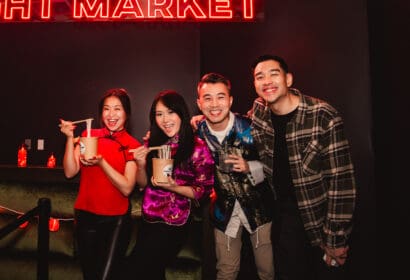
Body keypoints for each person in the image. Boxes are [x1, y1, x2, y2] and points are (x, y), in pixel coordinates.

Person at [249, 54, 357, 280]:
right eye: (260, 76)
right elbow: (237, 121)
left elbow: (342, 183)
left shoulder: (322, 115)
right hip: (283, 218)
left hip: (319, 219)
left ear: (288, 79)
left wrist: (335, 240)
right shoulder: (259, 112)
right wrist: (202, 120)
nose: (267, 81)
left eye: (273, 74)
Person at [124, 90, 214, 279]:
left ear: (181, 113)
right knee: (152, 272)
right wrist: (140, 165)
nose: (165, 119)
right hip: (149, 218)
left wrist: (173, 187)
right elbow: (143, 184)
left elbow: (202, 191)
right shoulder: (154, 144)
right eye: (159, 114)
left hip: (174, 221)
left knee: (136, 268)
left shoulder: (197, 148)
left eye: (170, 112)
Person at [196, 72, 275, 280]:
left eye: (220, 97)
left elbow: (276, 169)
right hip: (224, 212)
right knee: (226, 271)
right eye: (208, 98)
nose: (214, 104)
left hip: (259, 209)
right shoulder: (197, 136)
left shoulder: (251, 128)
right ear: (199, 103)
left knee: (267, 271)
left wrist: (251, 167)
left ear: (230, 100)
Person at [60, 88, 141, 280]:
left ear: (126, 113)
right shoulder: (89, 135)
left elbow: (127, 187)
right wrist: (70, 139)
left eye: (117, 109)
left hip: (116, 222)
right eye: (106, 109)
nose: (111, 115)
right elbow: (70, 172)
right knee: (90, 276)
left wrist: (101, 163)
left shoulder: (133, 145)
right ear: (101, 113)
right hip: (85, 217)